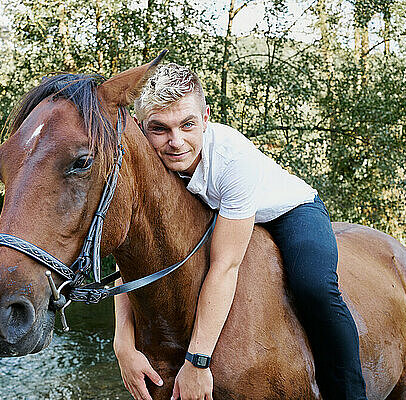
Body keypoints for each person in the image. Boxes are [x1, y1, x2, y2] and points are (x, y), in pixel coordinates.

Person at [113, 63, 368, 400]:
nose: (176, 142)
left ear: (205, 118)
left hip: (288, 212)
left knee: (314, 287)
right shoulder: (147, 160)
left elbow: (225, 266)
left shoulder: (232, 161)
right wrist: (122, 346)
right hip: (221, 214)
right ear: (140, 127)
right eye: (159, 129)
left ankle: (351, 392)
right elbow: (135, 257)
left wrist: (198, 362)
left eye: (187, 125)